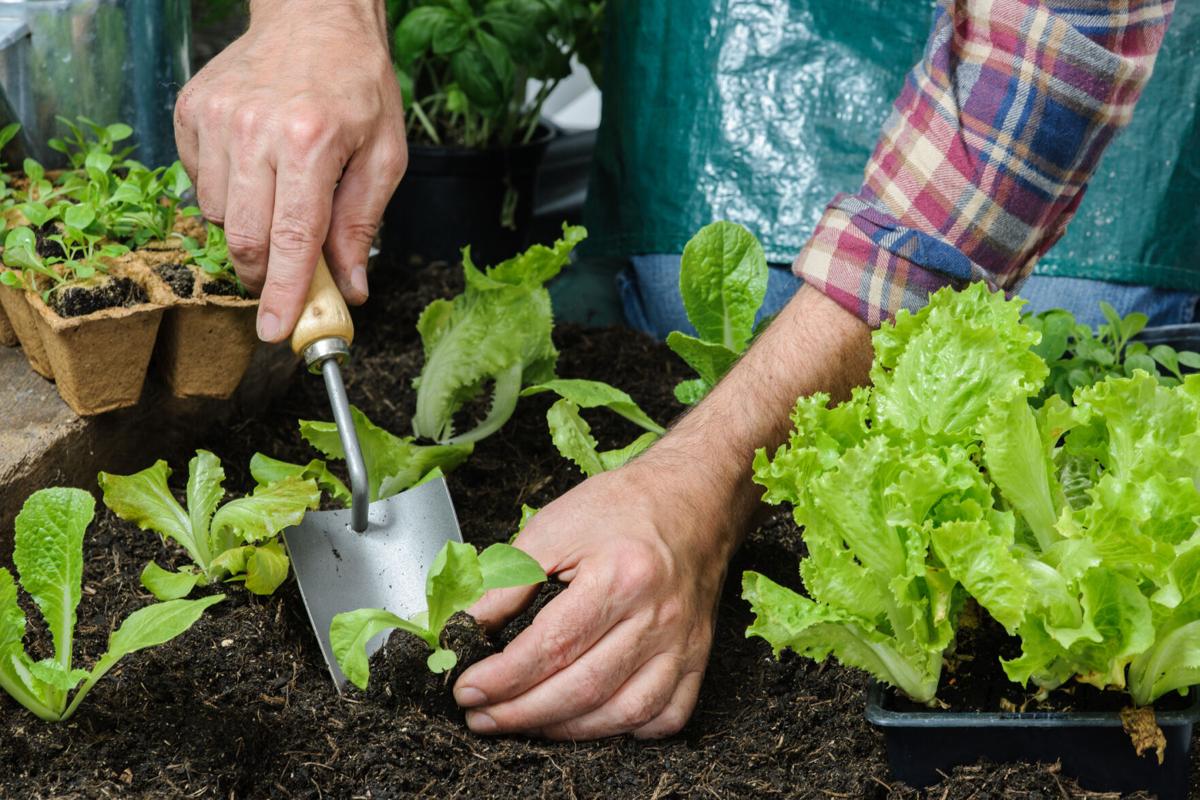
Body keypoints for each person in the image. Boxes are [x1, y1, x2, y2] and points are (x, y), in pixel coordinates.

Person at [175, 0, 1184, 740]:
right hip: (721, 92)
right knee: (677, 288)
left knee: (1063, 326)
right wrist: (318, 20)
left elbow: (1044, 64)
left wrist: (702, 483)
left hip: (1075, 151)